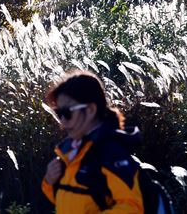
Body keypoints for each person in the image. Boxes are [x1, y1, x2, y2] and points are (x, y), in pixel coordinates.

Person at [41, 70, 144, 213]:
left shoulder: (111, 152)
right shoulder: (73, 150)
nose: (62, 121)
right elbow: (71, 200)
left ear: (90, 110)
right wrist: (50, 182)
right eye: (59, 114)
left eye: (68, 113)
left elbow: (133, 208)